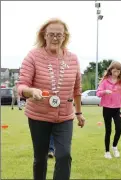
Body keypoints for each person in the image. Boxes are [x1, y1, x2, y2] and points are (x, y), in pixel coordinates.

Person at [17, 18, 85, 180]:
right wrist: (31, 91)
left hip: (65, 117)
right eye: (51, 34)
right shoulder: (33, 56)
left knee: (64, 155)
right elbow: (21, 85)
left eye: (59, 35)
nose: (55, 38)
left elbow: (77, 89)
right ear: (44, 36)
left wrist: (79, 113)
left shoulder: (73, 58)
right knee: (40, 158)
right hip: (38, 116)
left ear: (64, 36)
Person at [97, 61, 121, 159]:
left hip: (117, 109)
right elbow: (98, 93)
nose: (116, 74)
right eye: (114, 71)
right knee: (108, 131)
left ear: (120, 72)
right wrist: (105, 91)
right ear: (110, 70)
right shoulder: (105, 81)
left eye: (118, 72)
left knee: (119, 129)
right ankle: (107, 152)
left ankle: (114, 147)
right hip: (106, 109)